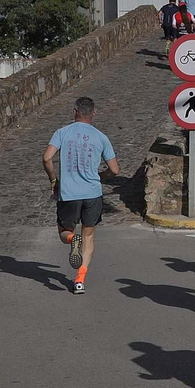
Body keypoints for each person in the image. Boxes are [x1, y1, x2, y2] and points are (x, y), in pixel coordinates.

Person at [43, 96, 119, 295]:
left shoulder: (62, 132)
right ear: (94, 114)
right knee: (89, 236)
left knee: (64, 232)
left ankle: (71, 240)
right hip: (93, 194)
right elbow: (115, 170)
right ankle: (79, 280)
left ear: (74, 111)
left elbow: (47, 158)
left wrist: (53, 180)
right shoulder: (101, 137)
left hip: (69, 194)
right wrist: (99, 176)